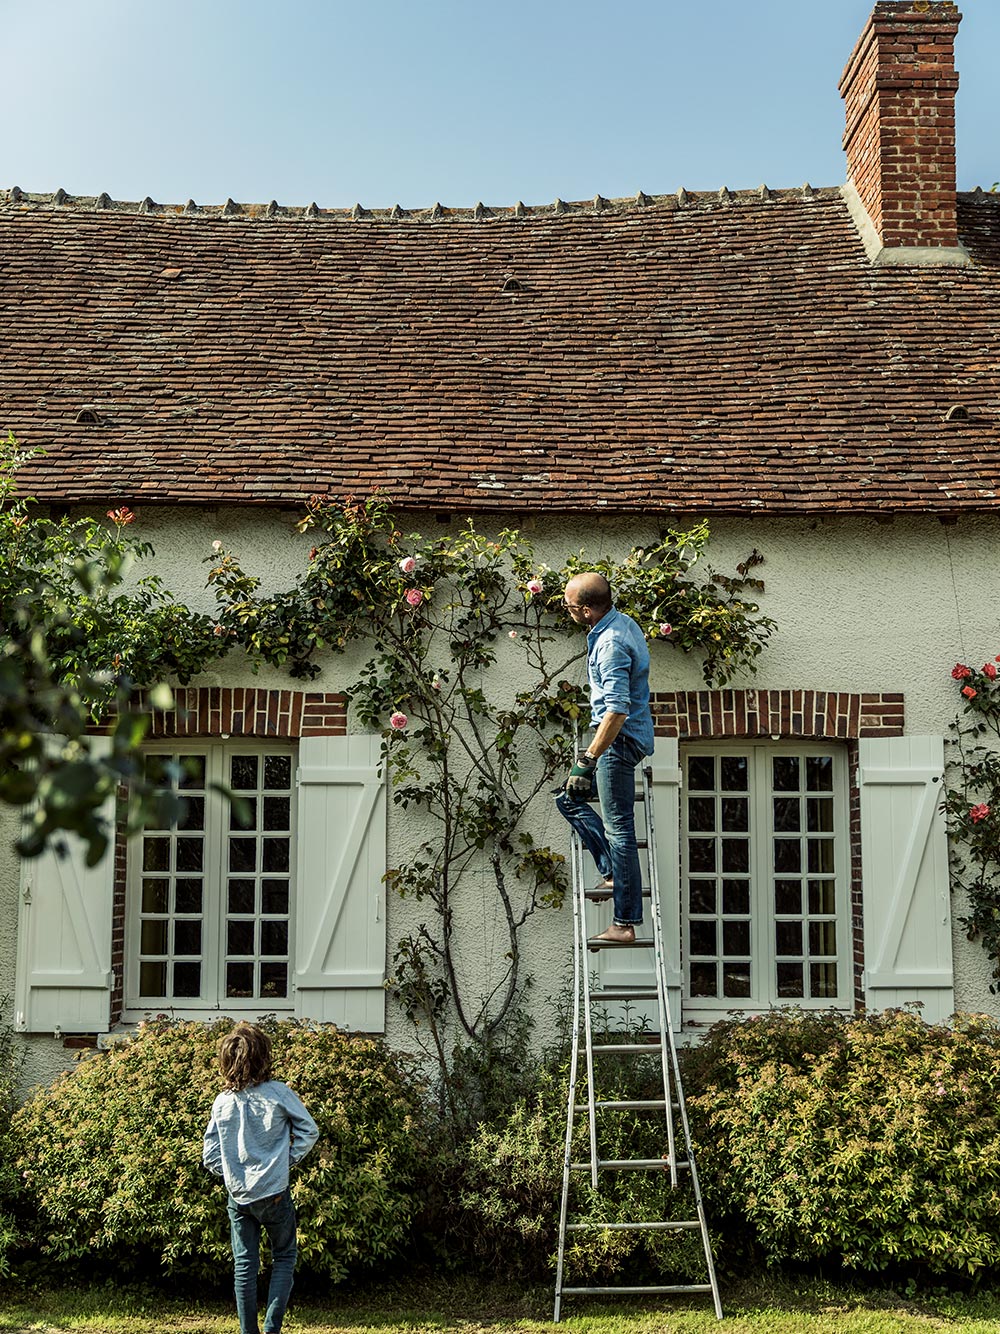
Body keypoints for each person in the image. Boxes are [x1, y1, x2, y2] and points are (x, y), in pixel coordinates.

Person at [555, 571, 655, 944]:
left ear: (584, 610)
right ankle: (612, 868)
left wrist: (588, 759)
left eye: (568, 606)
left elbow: (616, 710)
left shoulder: (611, 643)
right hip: (624, 739)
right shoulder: (623, 623)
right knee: (569, 800)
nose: (566, 610)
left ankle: (624, 923)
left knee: (619, 830)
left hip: (617, 742)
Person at [203, 1023, 319, 1334]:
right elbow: (309, 1130)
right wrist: (286, 1162)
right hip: (275, 1193)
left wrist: (230, 1174)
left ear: (226, 1060)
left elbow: (210, 1154)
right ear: (264, 1057)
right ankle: (271, 1330)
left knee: (245, 1266)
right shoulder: (278, 1093)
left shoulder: (223, 1101)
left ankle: (248, 1332)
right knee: (284, 1256)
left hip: (239, 1197)